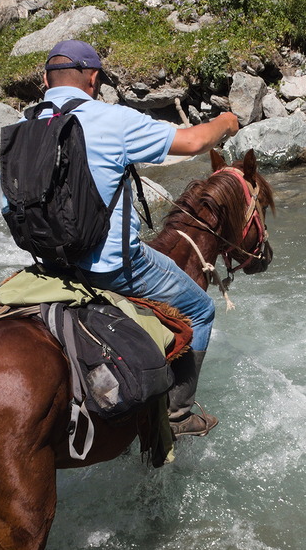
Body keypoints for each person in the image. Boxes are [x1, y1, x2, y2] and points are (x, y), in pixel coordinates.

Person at [30, 39, 239, 438]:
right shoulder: (112, 120)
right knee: (200, 310)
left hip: (51, 267)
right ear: (93, 79)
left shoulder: (24, 128)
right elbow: (194, 142)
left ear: (45, 80)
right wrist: (226, 122)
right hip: (112, 268)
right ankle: (178, 416)